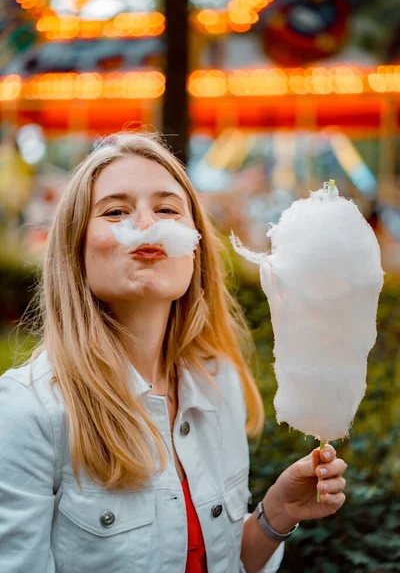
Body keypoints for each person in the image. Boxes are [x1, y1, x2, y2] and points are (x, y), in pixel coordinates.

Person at [0, 132, 347, 573]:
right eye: (116, 211)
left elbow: (222, 563)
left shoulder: (218, 382)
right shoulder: (26, 411)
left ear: (195, 249)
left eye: (166, 209)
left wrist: (277, 513)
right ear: (75, 249)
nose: (147, 224)